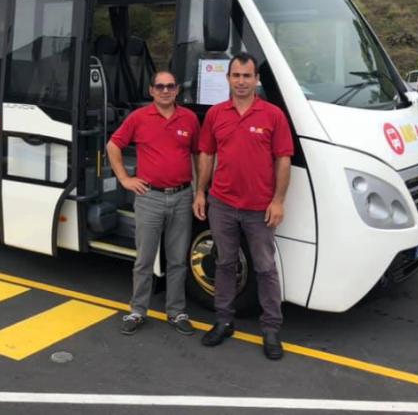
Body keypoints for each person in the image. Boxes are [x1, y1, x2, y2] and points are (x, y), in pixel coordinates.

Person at [193, 53, 293, 360]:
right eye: (236, 75)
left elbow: (283, 159)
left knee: (265, 268)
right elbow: (206, 154)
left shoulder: (273, 115)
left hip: (259, 208)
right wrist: (200, 192)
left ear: (256, 80)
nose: (241, 81)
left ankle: (271, 329)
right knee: (224, 263)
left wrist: (278, 200)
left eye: (247, 76)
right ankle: (224, 321)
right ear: (228, 79)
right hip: (222, 203)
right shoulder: (216, 114)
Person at [107, 70, 200, 336]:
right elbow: (113, 146)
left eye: (170, 86)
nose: (165, 91)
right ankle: (137, 311)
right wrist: (125, 178)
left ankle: (176, 312)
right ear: (151, 91)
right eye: (160, 86)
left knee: (177, 260)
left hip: (182, 197)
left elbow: (197, 154)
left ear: (177, 89)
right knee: (144, 260)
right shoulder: (138, 118)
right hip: (150, 197)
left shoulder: (189, 119)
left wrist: (199, 190)